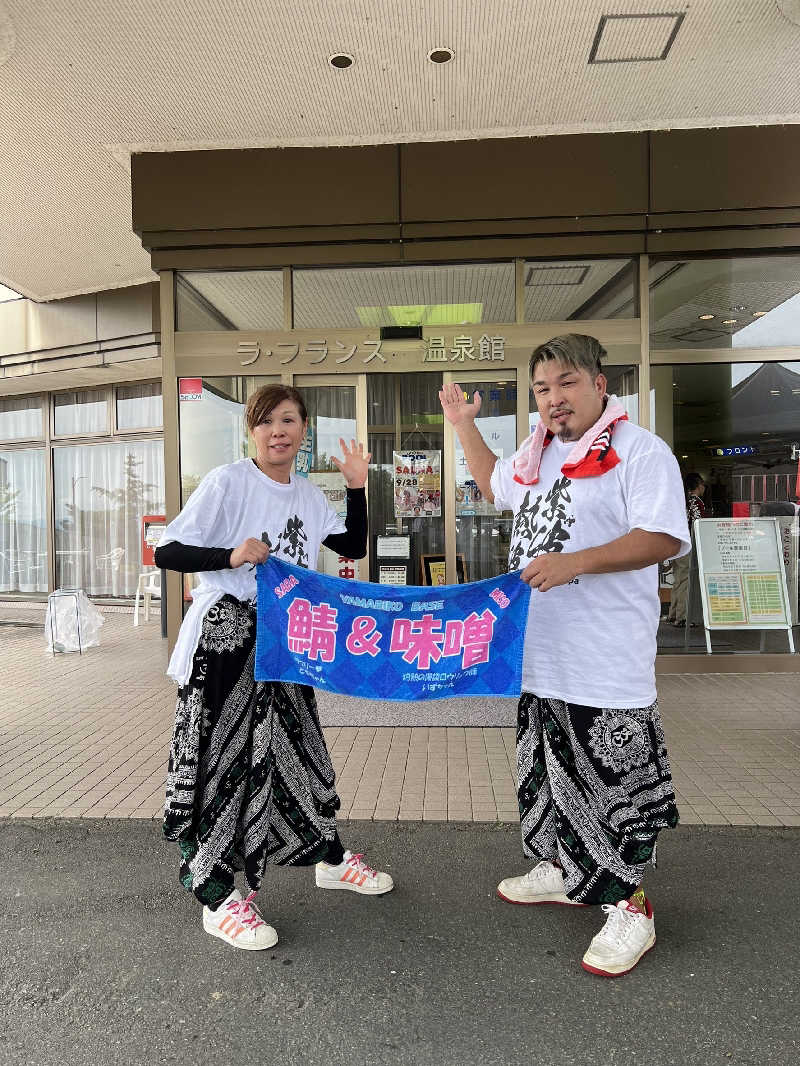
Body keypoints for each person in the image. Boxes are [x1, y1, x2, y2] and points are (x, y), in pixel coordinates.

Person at [439, 334, 689, 977]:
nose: (554, 399)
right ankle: (562, 868)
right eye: (543, 389)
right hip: (540, 652)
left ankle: (629, 907)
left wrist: (575, 562)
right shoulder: (538, 456)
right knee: (547, 773)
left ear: (601, 384)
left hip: (606, 658)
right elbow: (493, 483)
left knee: (613, 783)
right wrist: (464, 425)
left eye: (567, 383)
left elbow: (663, 534)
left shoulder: (639, 450)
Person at [154, 384, 393, 951]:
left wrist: (358, 485)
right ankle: (214, 890)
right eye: (266, 421)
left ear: (303, 430)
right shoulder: (228, 482)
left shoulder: (308, 496)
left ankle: (327, 855)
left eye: (288, 420)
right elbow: (169, 551)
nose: (277, 430)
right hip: (227, 642)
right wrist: (230, 555)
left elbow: (352, 541)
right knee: (222, 758)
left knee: (300, 750)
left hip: (286, 641)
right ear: (251, 431)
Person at [666, 472, 706, 627]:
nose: (704, 487)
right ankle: (682, 617)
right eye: (703, 484)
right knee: (685, 580)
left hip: (675, 544)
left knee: (678, 578)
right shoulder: (695, 502)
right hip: (687, 544)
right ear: (698, 485)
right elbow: (697, 523)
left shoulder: (680, 501)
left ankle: (673, 612)